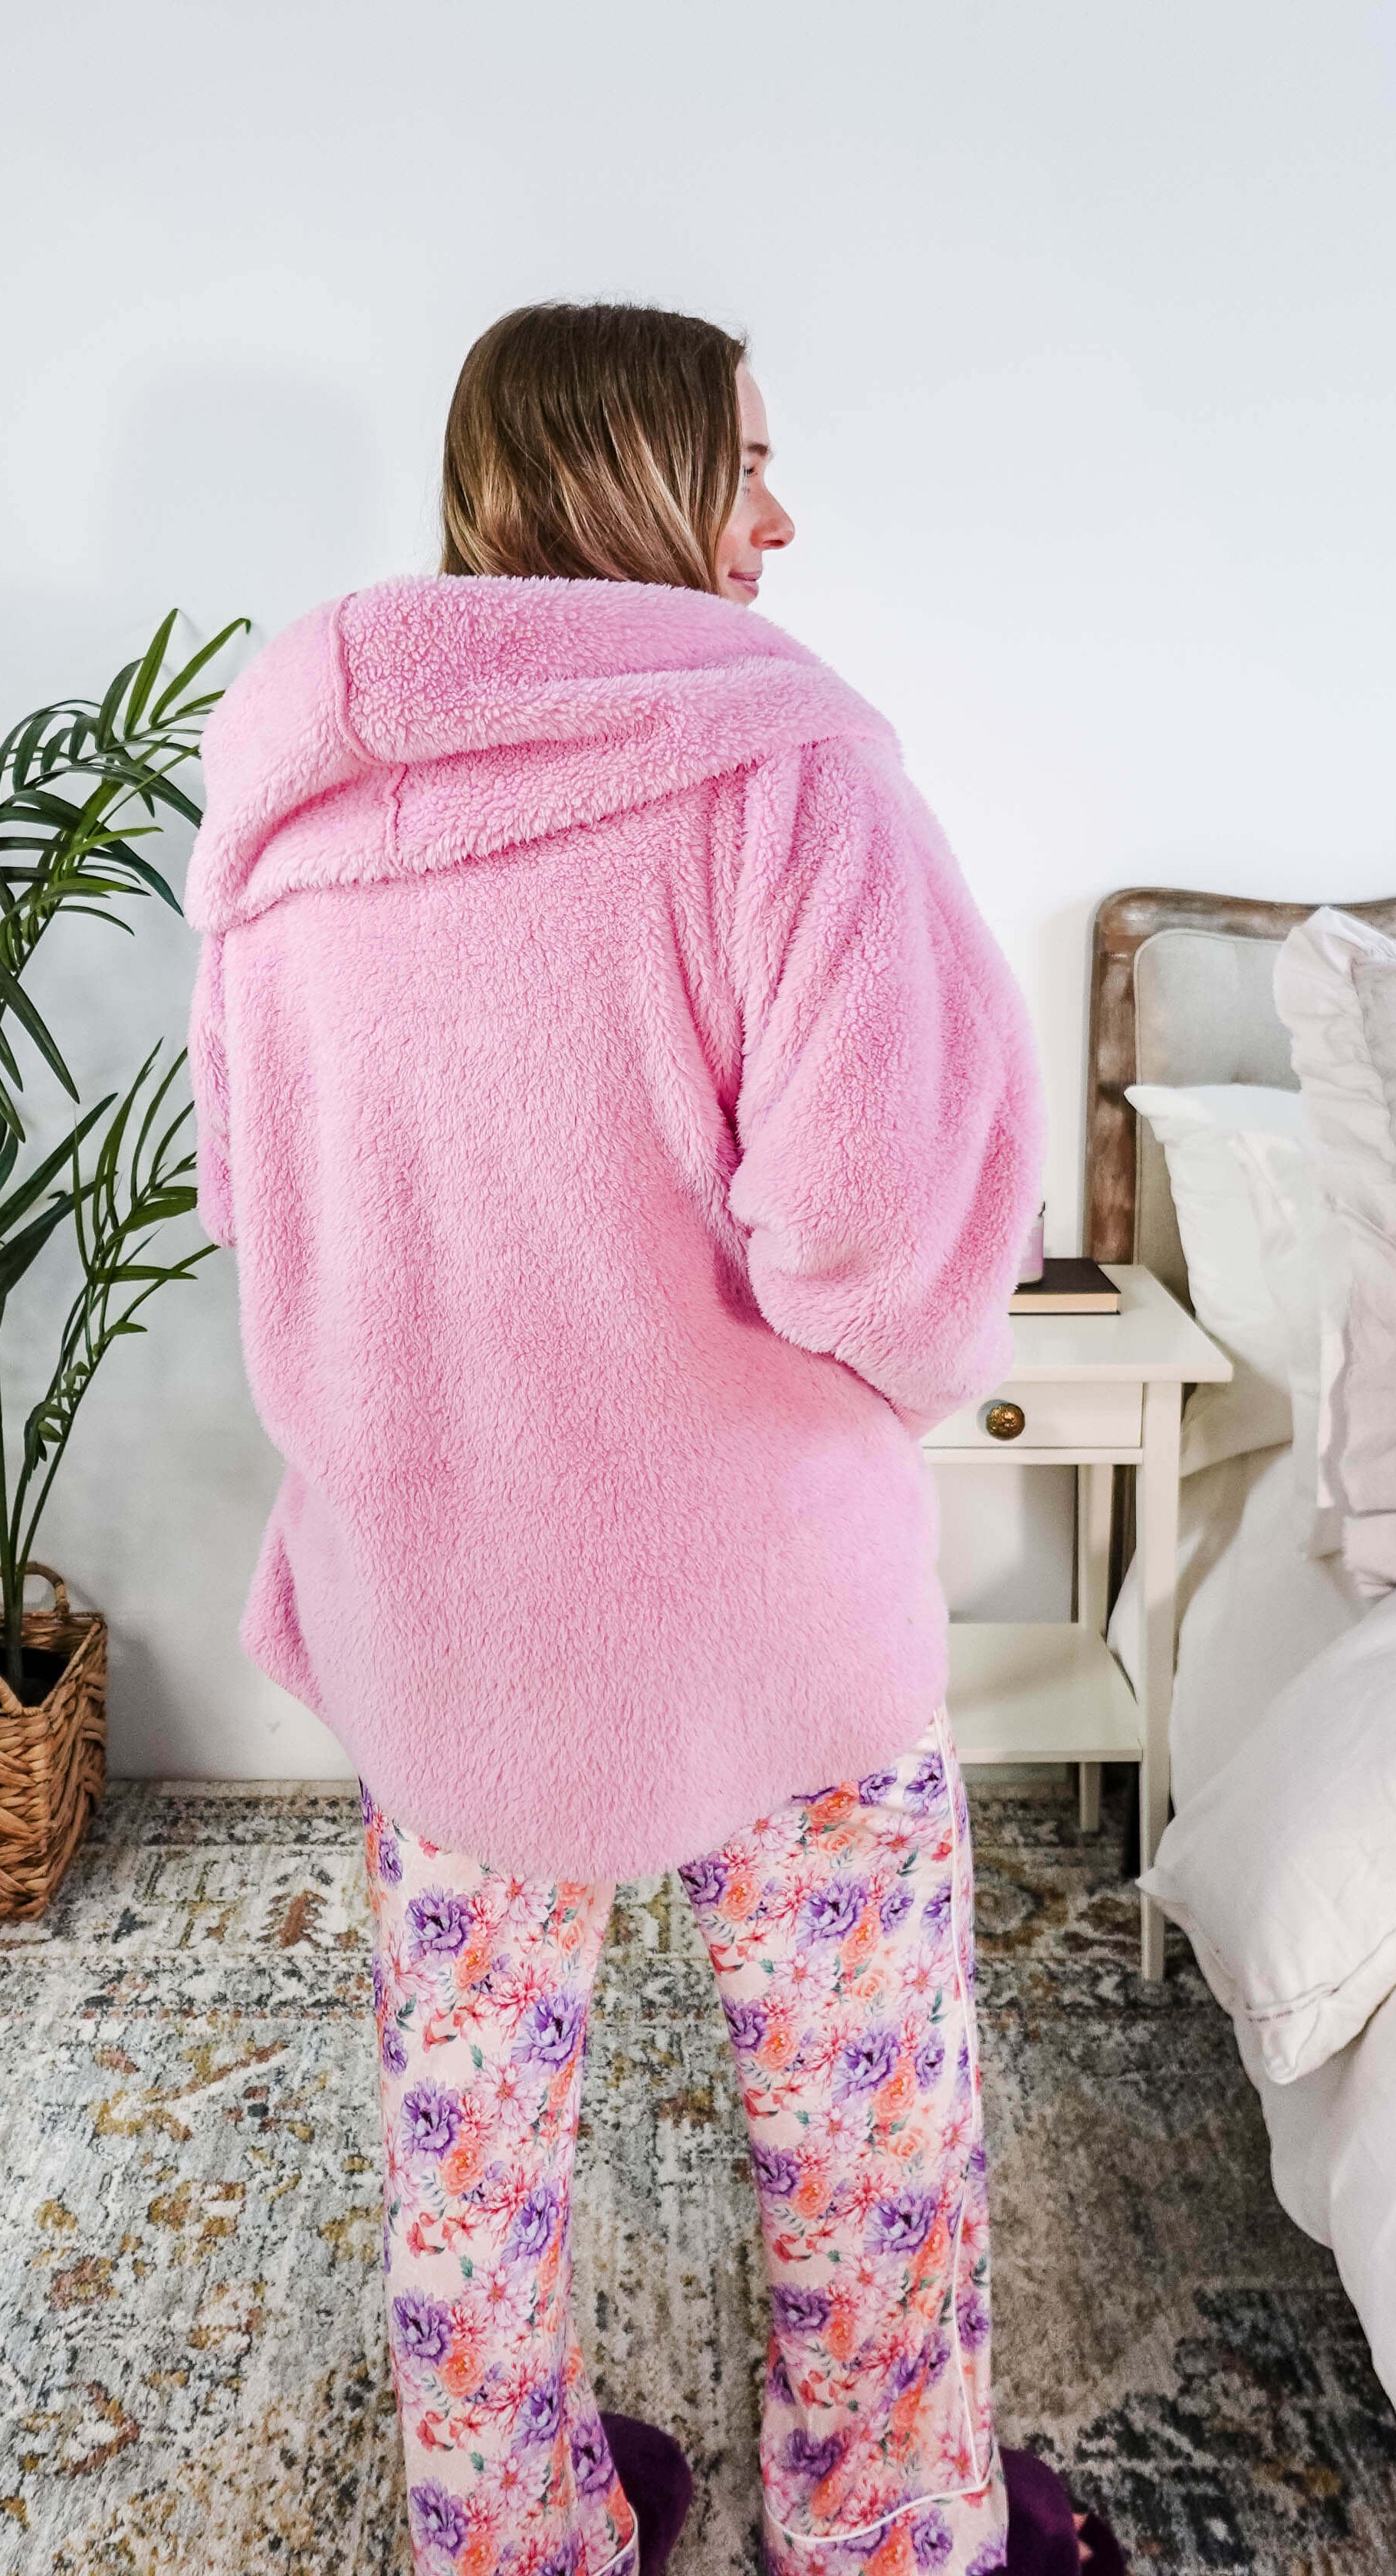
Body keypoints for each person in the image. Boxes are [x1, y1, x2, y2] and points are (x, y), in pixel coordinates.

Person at [186, 303, 1124, 2576]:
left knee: (471, 2136)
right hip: (758, 1605)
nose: (776, 519)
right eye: (742, 466)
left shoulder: (290, 821)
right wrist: (858, 1387)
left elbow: (256, 1205)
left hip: (436, 1599)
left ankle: (507, 2531)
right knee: (857, 2118)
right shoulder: (787, 779)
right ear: (629, 479)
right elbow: (885, 1237)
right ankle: (893, 2530)